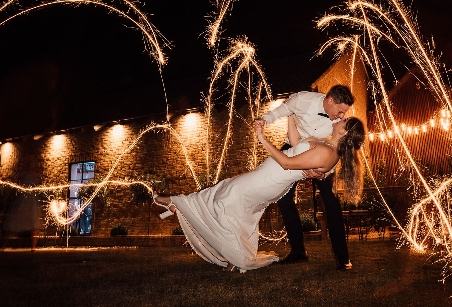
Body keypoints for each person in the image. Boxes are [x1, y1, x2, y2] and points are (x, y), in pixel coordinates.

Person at [153, 116, 365, 273]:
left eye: (343, 120)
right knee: (226, 195)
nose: (339, 118)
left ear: (344, 132)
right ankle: (180, 208)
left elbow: (286, 162)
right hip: (268, 176)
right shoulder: (326, 144)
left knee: (225, 198)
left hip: (271, 179)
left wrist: (262, 138)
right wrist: (290, 111)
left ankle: (176, 203)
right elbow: (295, 144)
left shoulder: (328, 152)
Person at [256, 85, 355, 270]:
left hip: (323, 152)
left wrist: (324, 170)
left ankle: (342, 257)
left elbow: (341, 144)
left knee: (331, 201)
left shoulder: (340, 121)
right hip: (295, 146)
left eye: (344, 113)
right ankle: (298, 251)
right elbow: (282, 110)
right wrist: (263, 120)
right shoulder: (302, 100)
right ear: (330, 100)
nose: (342, 116)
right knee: (284, 198)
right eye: (340, 111)